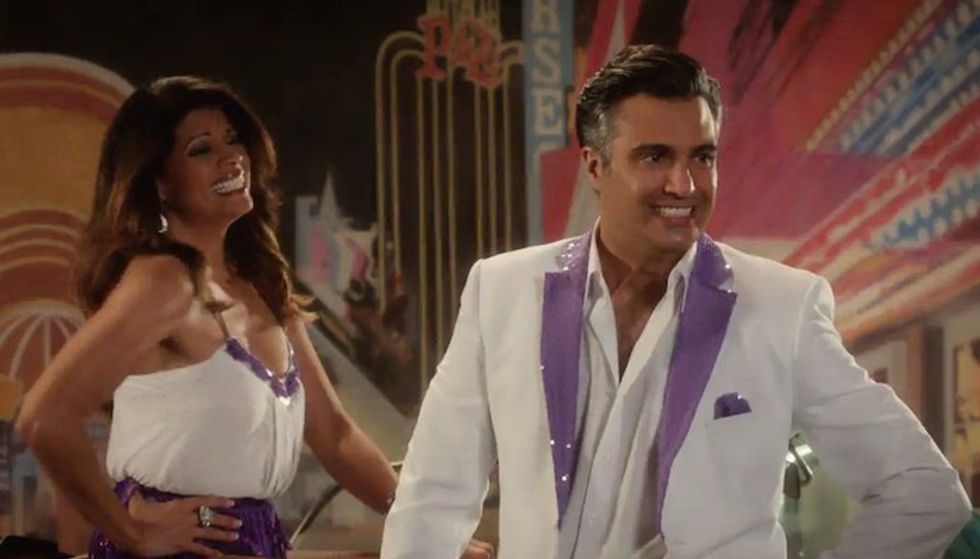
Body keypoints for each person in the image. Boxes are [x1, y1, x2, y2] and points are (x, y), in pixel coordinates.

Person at [380, 45, 972, 559]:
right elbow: (433, 494)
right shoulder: (502, 291)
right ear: (595, 165)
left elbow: (922, 490)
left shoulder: (782, 307)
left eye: (702, 157)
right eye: (655, 156)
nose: (684, 185)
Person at [14, 76, 491, 559]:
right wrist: (133, 533)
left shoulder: (262, 283)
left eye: (233, 139)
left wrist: (429, 527)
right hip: (186, 543)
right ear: (159, 182)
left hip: (257, 538)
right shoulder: (164, 280)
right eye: (202, 149)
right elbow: (45, 418)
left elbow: (335, 436)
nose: (231, 157)